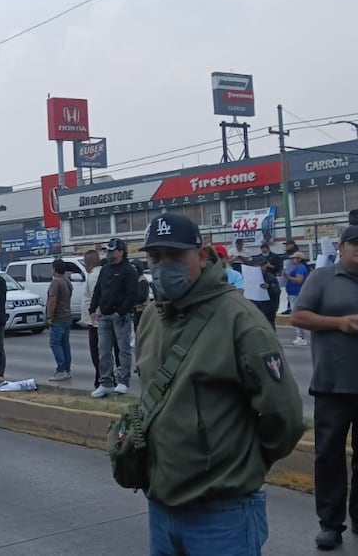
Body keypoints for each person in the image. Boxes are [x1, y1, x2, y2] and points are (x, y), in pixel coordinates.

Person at [137, 212, 303, 554]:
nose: (164, 266)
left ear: (201, 255)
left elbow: (283, 415)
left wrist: (240, 466)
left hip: (223, 513)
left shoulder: (240, 319)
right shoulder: (152, 316)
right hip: (161, 507)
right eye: (155, 257)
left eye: (175, 256)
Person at [291, 224, 358, 549]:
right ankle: (331, 524)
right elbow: (299, 317)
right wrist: (339, 323)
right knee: (329, 456)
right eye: (354, 244)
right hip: (332, 385)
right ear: (341, 248)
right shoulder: (322, 278)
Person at [89, 238, 139, 398]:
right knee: (103, 350)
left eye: (112, 250)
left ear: (121, 252)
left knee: (123, 350)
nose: (109, 253)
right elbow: (98, 290)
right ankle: (106, 383)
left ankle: (123, 381)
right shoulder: (105, 269)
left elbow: (133, 294)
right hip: (104, 315)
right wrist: (92, 308)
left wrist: (121, 311)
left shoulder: (129, 270)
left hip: (121, 316)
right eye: (108, 251)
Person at [82, 250, 116, 389]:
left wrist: (95, 317)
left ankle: (104, 379)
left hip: (96, 321)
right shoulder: (98, 274)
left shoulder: (94, 276)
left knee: (98, 353)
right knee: (101, 352)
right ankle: (102, 377)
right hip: (96, 320)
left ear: (88, 263)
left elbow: (98, 297)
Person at [46, 258, 74, 382]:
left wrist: (49, 317)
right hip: (67, 315)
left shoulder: (55, 282)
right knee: (65, 344)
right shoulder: (66, 281)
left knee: (55, 344)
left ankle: (61, 369)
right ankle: (67, 369)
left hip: (58, 317)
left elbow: (52, 300)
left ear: (54, 269)